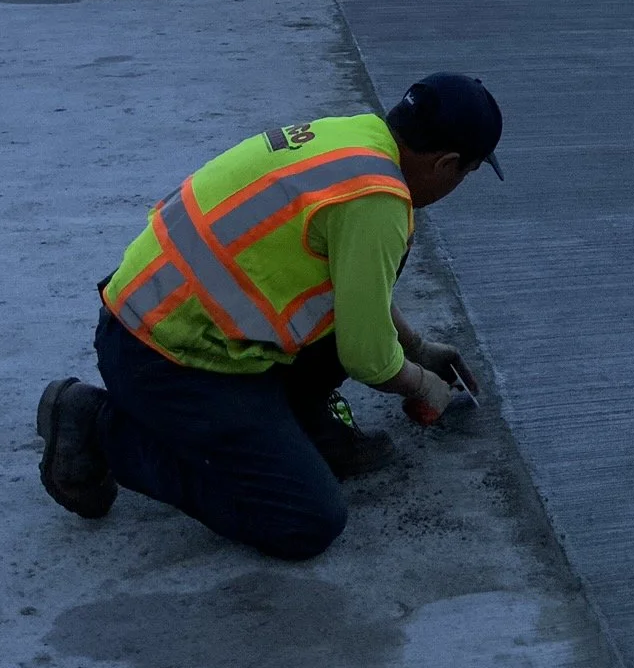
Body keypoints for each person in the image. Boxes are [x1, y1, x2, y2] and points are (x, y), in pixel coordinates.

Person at [34, 73, 504, 560]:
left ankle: (307, 429)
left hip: (156, 318)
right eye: (465, 173)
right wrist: (422, 384)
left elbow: (353, 286)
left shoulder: (355, 138)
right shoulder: (377, 202)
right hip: (166, 360)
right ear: (447, 164)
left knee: (356, 291)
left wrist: (415, 345)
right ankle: (97, 424)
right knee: (305, 519)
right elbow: (367, 359)